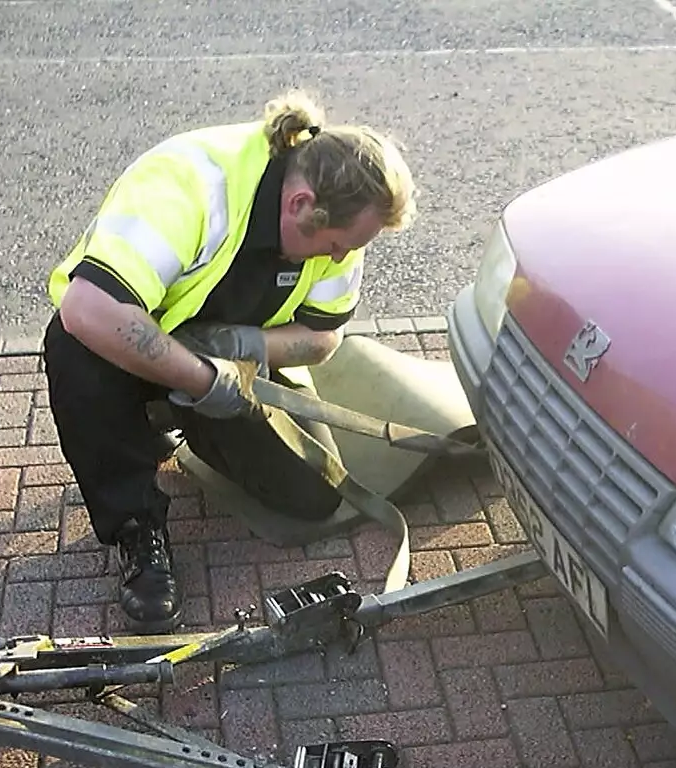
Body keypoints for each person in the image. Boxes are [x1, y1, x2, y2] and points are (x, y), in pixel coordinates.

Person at [41, 91, 416, 630]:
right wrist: (200, 380)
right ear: (300, 204)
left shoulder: (344, 225)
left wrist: (242, 347)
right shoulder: (188, 184)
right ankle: (136, 527)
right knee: (75, 354)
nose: (341, 257)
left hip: (224, 367)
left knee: (309, 497)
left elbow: (320, 337)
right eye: (335, 244)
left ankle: (176, 419)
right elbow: (87, 309)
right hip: (119, 341)